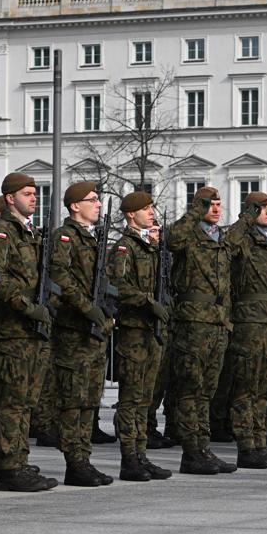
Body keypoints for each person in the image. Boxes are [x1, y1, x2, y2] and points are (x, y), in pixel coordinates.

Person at [0, 172, 58, 492]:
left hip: (32, 331)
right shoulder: (4, 232)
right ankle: (9, 467)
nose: (34, 198)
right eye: (27, 193)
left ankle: (19, 459)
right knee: (12, 401)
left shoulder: (31, 233)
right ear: (10, 198)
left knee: (27, 401)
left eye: (34, 193)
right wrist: (28, 307)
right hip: (13, 330)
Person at [49, 182, 116, 487]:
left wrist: (107, 308)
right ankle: (74, 462)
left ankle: (83, 458)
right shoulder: (64, 236)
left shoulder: (92, 239)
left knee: (91, 399)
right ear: (75, 206)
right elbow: (60, 276)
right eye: (92, 200)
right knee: (73, 399)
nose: (98, 204)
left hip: (94, 331)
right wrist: (88, 308)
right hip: (74, 330)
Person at [167, 187, 236, 475]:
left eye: (219, 204)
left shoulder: (220, 239)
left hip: (217, 322)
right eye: (210, 205)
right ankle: (191, 451)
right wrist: (195, 210)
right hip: (193, 322)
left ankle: (203, 447)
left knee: (207, 390)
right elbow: (171, 240)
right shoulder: (188, 234)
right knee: (190, 388)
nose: (216, 209)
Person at [221, 192, 267, 469]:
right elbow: (227, 246)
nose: (266, 211)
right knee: (246, 388)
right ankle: (246, 446)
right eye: (259, 208)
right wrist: (244, 219)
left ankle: (261, 443)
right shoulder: (244, 239)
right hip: (250, 322)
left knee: (265, 389)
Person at [107, 191, 172, 481]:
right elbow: (117, 285)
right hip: (134, 331)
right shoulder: (125, 248)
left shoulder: (151, 248)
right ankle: (129, 457)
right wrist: (147, 302)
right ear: (131, 214)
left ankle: (141, 453)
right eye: (146, 209)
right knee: (131, 397)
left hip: (152, 332)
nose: (151, 213)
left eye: (151, 208)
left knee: (146, 398)